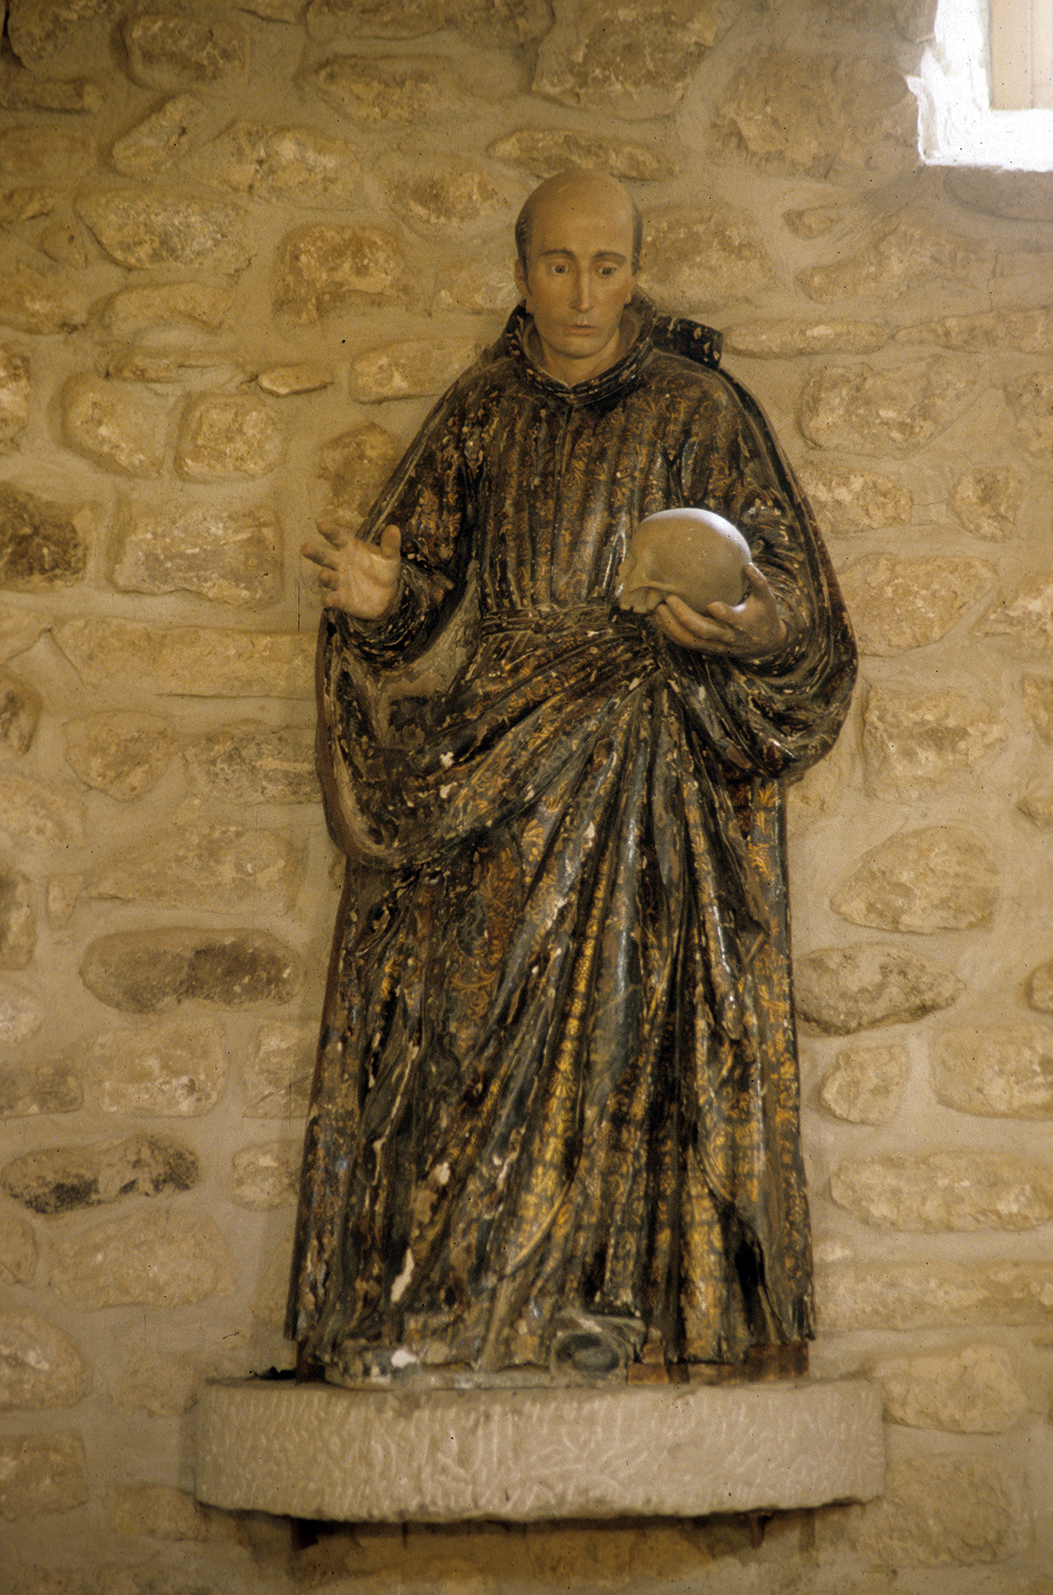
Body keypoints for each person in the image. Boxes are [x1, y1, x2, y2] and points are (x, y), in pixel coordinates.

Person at [288, 170, 856, 1384]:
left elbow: (794, 609)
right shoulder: (483, 408)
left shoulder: (699, 407)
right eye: (557, 265)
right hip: (496, 751)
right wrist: (385, 603)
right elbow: (420, 584)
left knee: (619, 1034)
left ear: (634, 273)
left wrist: (745, 620)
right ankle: (453, 1297)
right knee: (460, 1025)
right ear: (521, 272)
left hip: (640, 768)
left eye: (605, 266)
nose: (583, 292)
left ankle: (602, 1304)